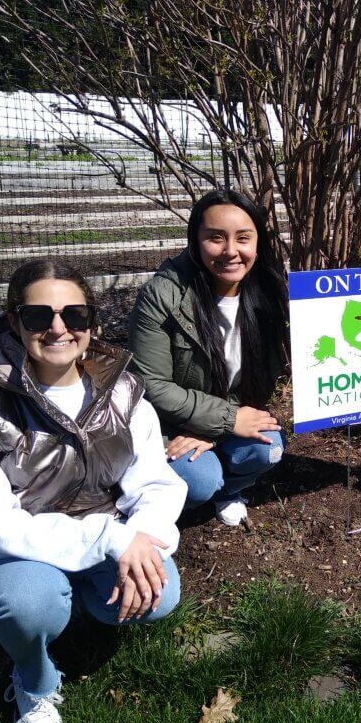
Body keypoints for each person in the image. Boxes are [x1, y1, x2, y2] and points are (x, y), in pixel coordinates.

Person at [0, 260, 185, 723]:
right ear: (14, 322)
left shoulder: (123, 388)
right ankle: (35, 678)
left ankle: (65, 606)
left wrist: (144, 537)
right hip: (3, 553)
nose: (58, 328)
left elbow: (154, 481)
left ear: (91, 323)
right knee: (30, 601)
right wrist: (113, 539)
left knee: (163, 591)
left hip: (95, 531)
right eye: (38, 316)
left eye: (74, 314)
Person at [127, 189, 288, 527]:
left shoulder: (268, 294)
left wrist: (217, 429)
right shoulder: (163, 295)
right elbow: (152, 386)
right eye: (216, 238)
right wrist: (227, 421)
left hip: (227, 415)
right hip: (171, 425)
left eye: (243, 238)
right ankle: (157, 502)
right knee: (199, 480)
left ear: (257, 242)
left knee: (269, 447)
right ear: (196, 240)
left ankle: (231, 488)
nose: (231, 251)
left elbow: (269, 371)